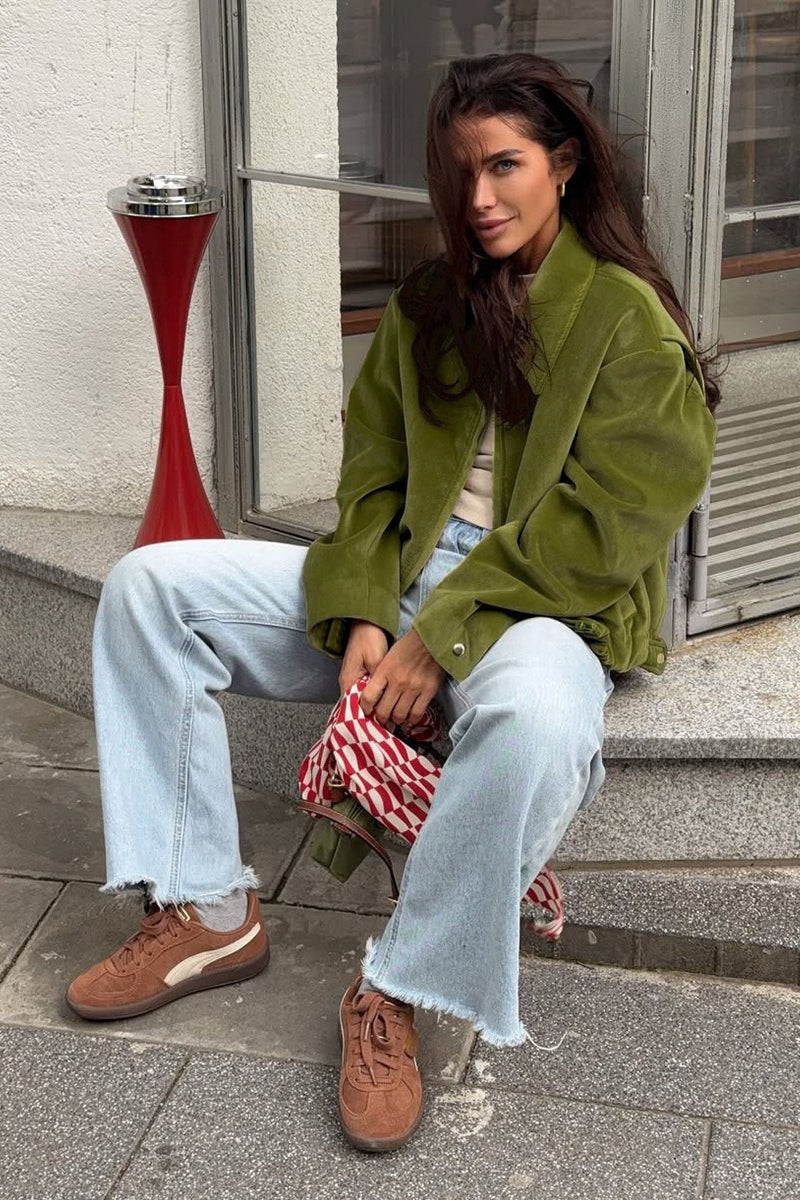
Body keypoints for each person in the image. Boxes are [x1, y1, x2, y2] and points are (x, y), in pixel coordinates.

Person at [67, 53, 717, 1153]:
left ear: (562, 164)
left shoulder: (628, 322)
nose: (478, 197)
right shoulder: (429, 304)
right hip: (405, 578)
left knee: (539, 720)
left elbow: (608, 528)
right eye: (459, 170)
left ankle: (399, 985)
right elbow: (371, 475)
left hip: (541, 609)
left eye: (505, 165)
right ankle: (205, 908)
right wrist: (368, 612)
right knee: (150, 587)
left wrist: (439, 635)